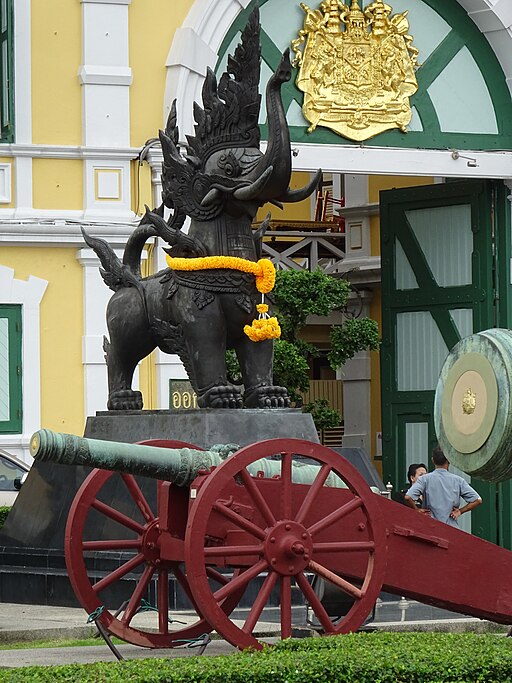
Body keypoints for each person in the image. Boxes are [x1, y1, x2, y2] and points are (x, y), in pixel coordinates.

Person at [404, 445, 482, 528]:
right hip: (451, 528)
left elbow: (408, 497)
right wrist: (460, 511)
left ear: (433, 460)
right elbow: (477, 500)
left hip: (430, 527)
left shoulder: (424, 479)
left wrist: (417, 510)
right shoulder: (458, 481)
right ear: (449, 460)